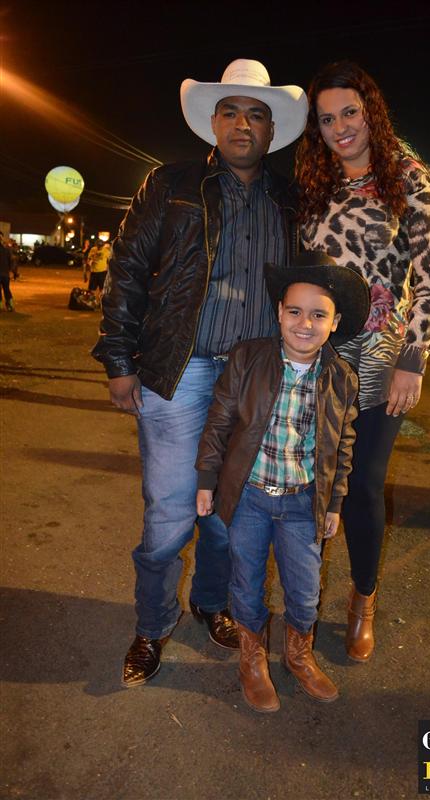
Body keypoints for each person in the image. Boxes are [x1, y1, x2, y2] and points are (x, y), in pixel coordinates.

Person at [91, 59, 308, 687]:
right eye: (231, 112)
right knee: (169, 512)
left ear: (272, 130)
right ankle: (152, 625)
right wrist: (119, 359)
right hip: (180, 368)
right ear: (213, 123)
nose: (243, 124)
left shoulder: (291, 201)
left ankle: (212, 605)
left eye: (256, 114)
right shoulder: (172, 184)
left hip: (252, 380)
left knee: (228, 510)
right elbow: (128, 269)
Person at [295, 60, 430, 663]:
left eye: (350, 113)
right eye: (326, 119)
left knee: (361, 484)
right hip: (317, 352)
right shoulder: (319, 180)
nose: (340, 128)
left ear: (371, 111)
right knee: (310, 478)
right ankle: (303, 603)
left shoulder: (409, 177)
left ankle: (363, 600)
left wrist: (414, 358)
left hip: (382, 358)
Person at [195, 253, 370, 711]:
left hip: (302, 504)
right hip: (249, 499)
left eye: (318, 315)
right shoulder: (247, 357)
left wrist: (334, 503)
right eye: (294, 311)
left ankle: (298, 654)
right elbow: (218, 422)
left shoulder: (341, 378)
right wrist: (207, 479)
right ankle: (252, 659)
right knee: (246, 584)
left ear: (335, 323)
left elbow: (343, 446)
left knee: (305, 592)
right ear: (278, 312)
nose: (304, 324)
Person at [0, 232, 15, 311]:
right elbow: (11, 261)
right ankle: (10, 305)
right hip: (5, 274)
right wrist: (11, 271)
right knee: (6, 289)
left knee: (5, 289)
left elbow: (11, 261)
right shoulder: (7, 249)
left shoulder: (6, 249)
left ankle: (2, 305)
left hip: (4, 273)